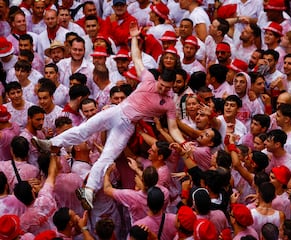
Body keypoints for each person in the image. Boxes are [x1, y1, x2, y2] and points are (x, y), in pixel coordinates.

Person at [32, 22, 187, 210]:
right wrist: (135, 38)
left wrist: (185, 143)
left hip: (127, 125)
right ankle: (52, 143)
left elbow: (173, 128)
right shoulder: (148, 79)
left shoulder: (169, 103)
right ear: (159, 78)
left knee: (107, 156)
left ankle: (89, 189)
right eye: (161, 85)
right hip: (117, 110)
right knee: (84, 129)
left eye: (166, 88)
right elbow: (136, 58)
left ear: (171, 88)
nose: (162, 89)